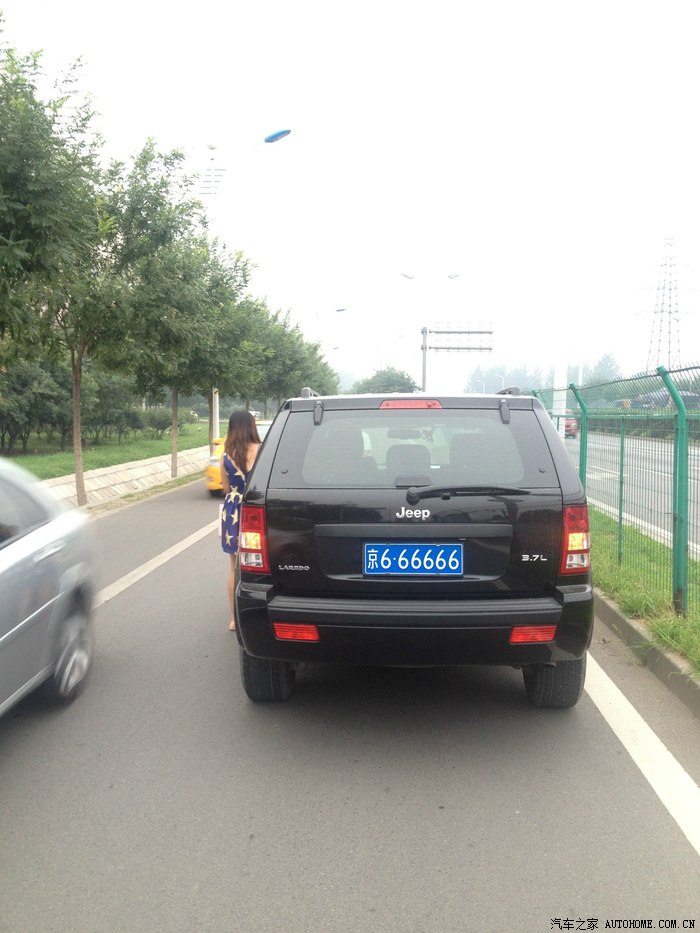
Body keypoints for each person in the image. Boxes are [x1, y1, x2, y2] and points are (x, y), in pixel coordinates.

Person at [220, 410, 261, 631]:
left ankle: (234, 619)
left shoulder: (226, 456)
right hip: (255, 509)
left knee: (234, 568)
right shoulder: (262, 450)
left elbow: (226, 489)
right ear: (251, 426)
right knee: (257, 564)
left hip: (233, 511)